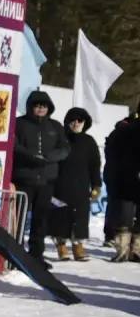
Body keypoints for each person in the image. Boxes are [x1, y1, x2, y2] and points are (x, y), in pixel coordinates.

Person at [12, 90, 70, 265]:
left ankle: (37, 255)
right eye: (37, 106)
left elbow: (65, 148)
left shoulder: (55, 126)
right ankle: (15, 253)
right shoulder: (19, 124)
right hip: (24, 178)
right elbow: (13, 144)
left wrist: (50, 157)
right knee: (19, 217)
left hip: (46, 180)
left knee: (41, 219)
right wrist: (31, 156)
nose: (40, 109)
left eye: (43, 106)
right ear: (30, 107)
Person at [49, 107, 101, 262]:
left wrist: (96, 185)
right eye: (73, 120)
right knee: (61, 215)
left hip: (81, 186)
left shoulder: (89, 142)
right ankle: (61, 246)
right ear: (67, 122)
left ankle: (78, 246)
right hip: (60, 185)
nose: (76, 123)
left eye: (80, 120)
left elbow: (95, 165)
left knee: (80, 217)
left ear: (85, 123)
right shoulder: (60, 139)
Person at [103, 103, 140, 261]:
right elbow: (111, 153)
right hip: (126, 180)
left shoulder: (123, 130)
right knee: (124, 218)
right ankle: (124, 251)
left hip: (126, 179)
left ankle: (134, 250)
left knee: (129, 218)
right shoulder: (124, 130)